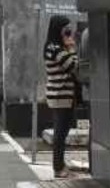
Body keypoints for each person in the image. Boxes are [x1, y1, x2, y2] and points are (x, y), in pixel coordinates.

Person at [44, 15, 79, 179]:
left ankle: (61, 166)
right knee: (60, 133)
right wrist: (71, 48)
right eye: (66, 29)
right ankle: (58, 168)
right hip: (61, 95)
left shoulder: (53, 46)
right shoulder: (56, 48)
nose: (69, 32)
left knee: (62, 132)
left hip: (62, 95)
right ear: (58, 29)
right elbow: (73, 66)